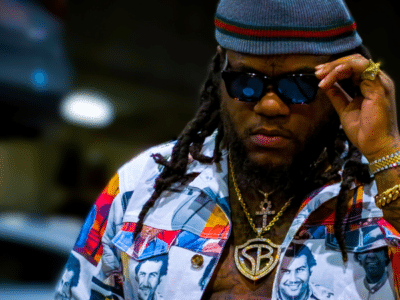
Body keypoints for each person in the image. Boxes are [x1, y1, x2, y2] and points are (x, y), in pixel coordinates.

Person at [56, 0, 400, 299]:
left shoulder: (379, 194)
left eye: (298, 86)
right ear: (221, 70)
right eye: (246, 81)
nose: (269, 106)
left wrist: (385, 153)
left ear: (344, 82)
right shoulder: (139, 188)